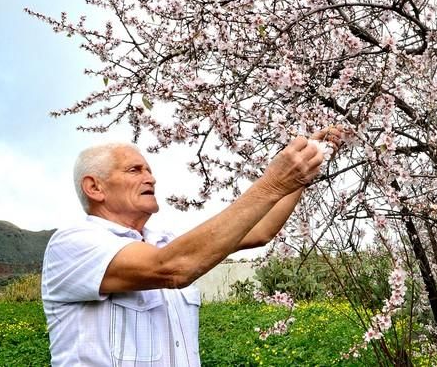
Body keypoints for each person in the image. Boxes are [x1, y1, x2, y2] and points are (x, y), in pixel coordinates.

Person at [42, 128, 343, 366]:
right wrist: (273, 183)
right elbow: (172, 268)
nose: (151, 178)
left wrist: (303, 172)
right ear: (95, 187)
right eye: (135, 170)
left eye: (149, 170)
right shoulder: (73, 244)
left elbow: (260, 230)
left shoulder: (162, 241)